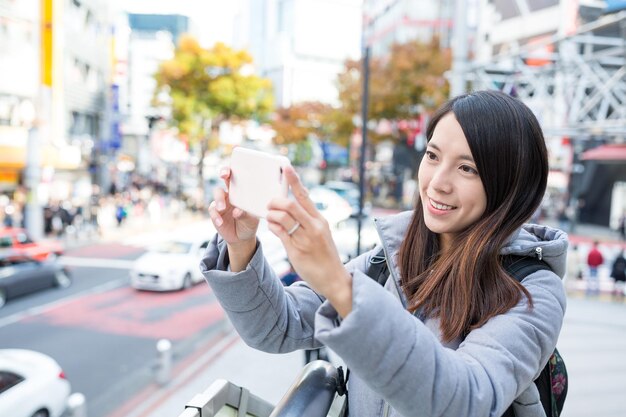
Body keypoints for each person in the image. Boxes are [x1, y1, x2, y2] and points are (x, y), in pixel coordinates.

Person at [201, 90, 567, 417]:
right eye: (433, 155)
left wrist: (339, 284)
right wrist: (242, 243)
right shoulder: (391, 258)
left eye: (467, 168)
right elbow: (277, 328)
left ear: (511, 185)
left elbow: (464, 400)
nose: (437, 181)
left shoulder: (532, 290)